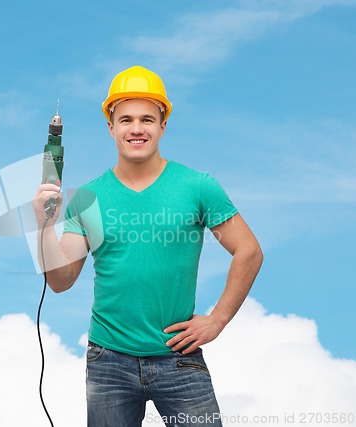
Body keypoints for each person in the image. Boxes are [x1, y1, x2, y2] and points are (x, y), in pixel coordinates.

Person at [32, 65, 263, 427]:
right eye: (125, 119)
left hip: (180, 360)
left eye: (146, 119)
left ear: (162, 125)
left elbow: (249, 250)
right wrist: (43, 226)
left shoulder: (198, 186)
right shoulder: (88, 198)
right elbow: (60, 282)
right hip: (108, 363)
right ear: (111, 127)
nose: (136, 129)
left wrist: (217, 320)